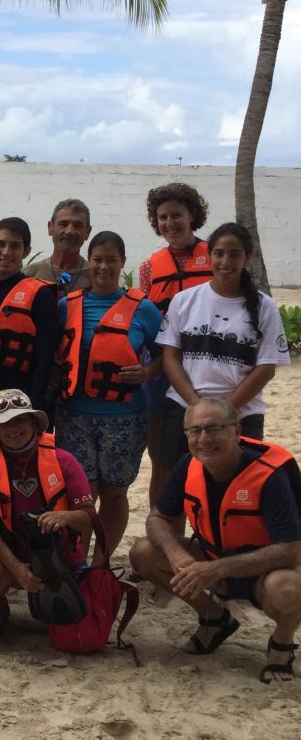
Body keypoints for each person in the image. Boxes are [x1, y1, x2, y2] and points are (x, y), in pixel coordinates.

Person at [130, 398, 301, 683]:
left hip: (265, 571)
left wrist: (218, 569)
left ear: (237, 430)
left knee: (287, 588)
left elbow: (291, 551)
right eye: (194, 431)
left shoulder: (269, 475)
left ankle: (282, 644)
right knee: (143, 553)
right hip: (214, 559)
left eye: (214, 429)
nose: (204, 439)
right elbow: (157, 518)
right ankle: (215, 619)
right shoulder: (189, 466)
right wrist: (174, 553)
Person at [156, 221, 290, 496]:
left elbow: (266, 368)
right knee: (174, 483)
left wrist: (226, 412)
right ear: (210, 254)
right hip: (185, 406)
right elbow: (170, 356)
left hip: (241, 413)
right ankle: (172, 540)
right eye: (219, 253)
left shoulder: (264, 307)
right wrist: (196, 406)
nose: (225, 261)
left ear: (247, 257)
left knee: (238, 489)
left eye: (234, 254)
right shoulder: (184, 300)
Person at [55, 231, 164, 553]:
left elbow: (165, 353)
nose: (104, 267)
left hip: (125, 418)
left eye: (111, 260)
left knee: (115, 493)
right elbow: (50, 349)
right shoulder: (67, 305)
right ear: (89, 262)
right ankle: (77, 560)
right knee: (83, 495)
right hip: (74, 414)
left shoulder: (144, 309)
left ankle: (102, 564)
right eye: (98, 260)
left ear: (123, 263)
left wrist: (146, 372)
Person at [0, 389, 96, 636]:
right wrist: (17, 568)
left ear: (34, 424)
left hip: (62, 558)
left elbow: (90, 518)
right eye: (3, 423)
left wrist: (66, 516)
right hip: (15, 556)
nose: (12, 428)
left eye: (19, 420)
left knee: (78, 633)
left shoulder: (64, 460)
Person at [138, 181, 212, 506]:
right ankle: (162, 528)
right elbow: (143, 318)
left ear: (192, 215)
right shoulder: (149, 267)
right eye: (163, 217)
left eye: (176, 215)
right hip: (160, 372)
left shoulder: (217, 258)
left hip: (206, 367)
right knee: (161, 459)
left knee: (209, 456)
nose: (169, 224)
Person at [0, 217, 58, 446]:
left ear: (26, 250)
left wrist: (33, 406)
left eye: (15, 246)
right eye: (0, 244)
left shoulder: (40, 295)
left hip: (22, 401)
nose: (6, 252)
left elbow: (45, 356)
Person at [25, 199, 93, 295]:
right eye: (63, 224)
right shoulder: (30, 275)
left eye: (77, 226)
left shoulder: (96, 277)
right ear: (50, 228)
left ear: (88, 232)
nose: (69, 231)